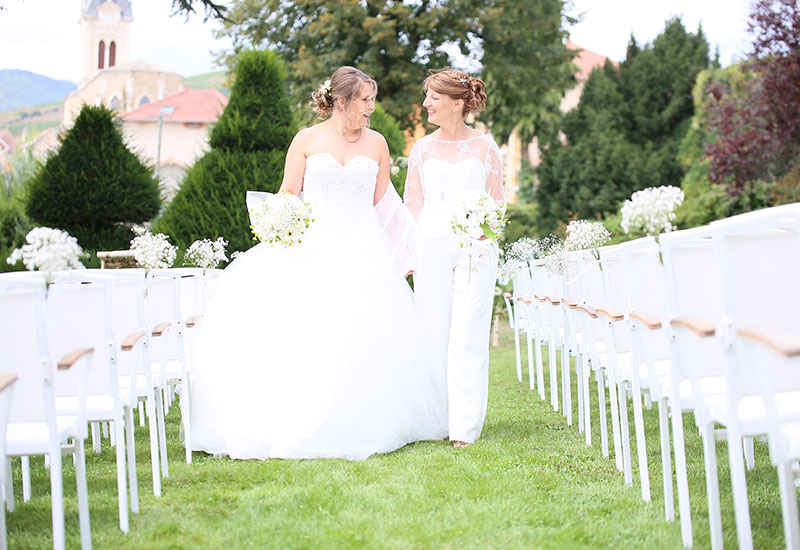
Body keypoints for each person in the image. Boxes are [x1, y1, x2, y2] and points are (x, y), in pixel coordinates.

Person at [190, 66, 447, 460]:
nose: (371, 109)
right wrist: (280, 228)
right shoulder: (306, 140)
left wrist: (407, 249)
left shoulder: (376, 143)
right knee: (310, 334)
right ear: (341, 101)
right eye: (365, 100)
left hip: (365, 251)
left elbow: (386, 203)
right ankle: (304, 420)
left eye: (372, 100)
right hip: (313, 248)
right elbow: (287, 194)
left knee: (366, 335)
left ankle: (365, 420)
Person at [404, 68, 504, 448]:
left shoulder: (485, 148)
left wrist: (484, 232)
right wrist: (408, 253)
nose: (426, 103)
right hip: (430, 248)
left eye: (433, 96)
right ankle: (437, 419)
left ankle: (464, 428)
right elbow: (412, 204)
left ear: (457, 103)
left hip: (475, 250)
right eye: (426, 95)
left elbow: (497, 203)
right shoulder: (422, 149)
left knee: (467, 334)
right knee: (434, 333)